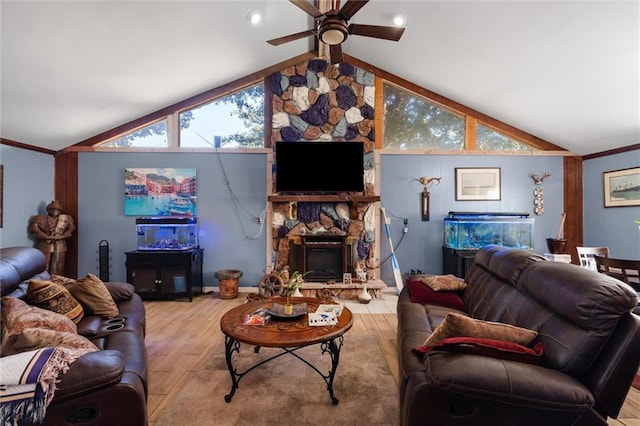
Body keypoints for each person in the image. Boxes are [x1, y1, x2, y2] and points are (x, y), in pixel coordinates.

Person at [29, 200, 76, 275]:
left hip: (60, 242)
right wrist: (46, 236)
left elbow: (71, 229)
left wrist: (62, 236)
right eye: (52, 209)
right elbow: (35, 229)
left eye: (57, 209)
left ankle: (56, 280)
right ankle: (44, 282)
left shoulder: (66, 218)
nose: (54, 211)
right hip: (46, 242)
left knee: (59, 265)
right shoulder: (39, 218)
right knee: (44, 264)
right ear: (48, 210)